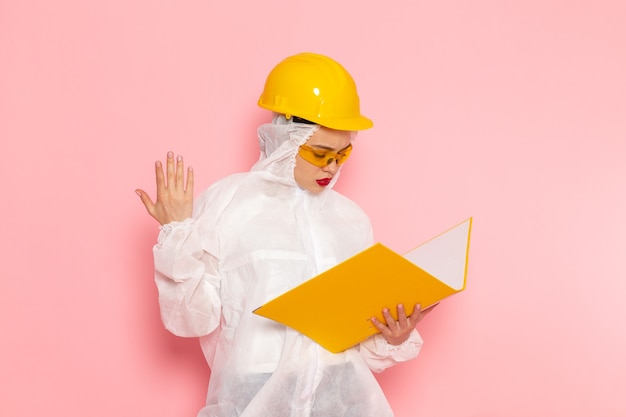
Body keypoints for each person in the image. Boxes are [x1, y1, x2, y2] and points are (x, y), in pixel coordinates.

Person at [136, 52, 433, 417]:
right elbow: (191, 320)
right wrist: (177, 233)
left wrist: (392, 337)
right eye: (320, 152)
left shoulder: (351, 219)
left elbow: (355, 343)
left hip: (343, 399)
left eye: (343, 153)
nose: (333, 166)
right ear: (284, 136)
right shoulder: (229, 204)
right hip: (254, 398)